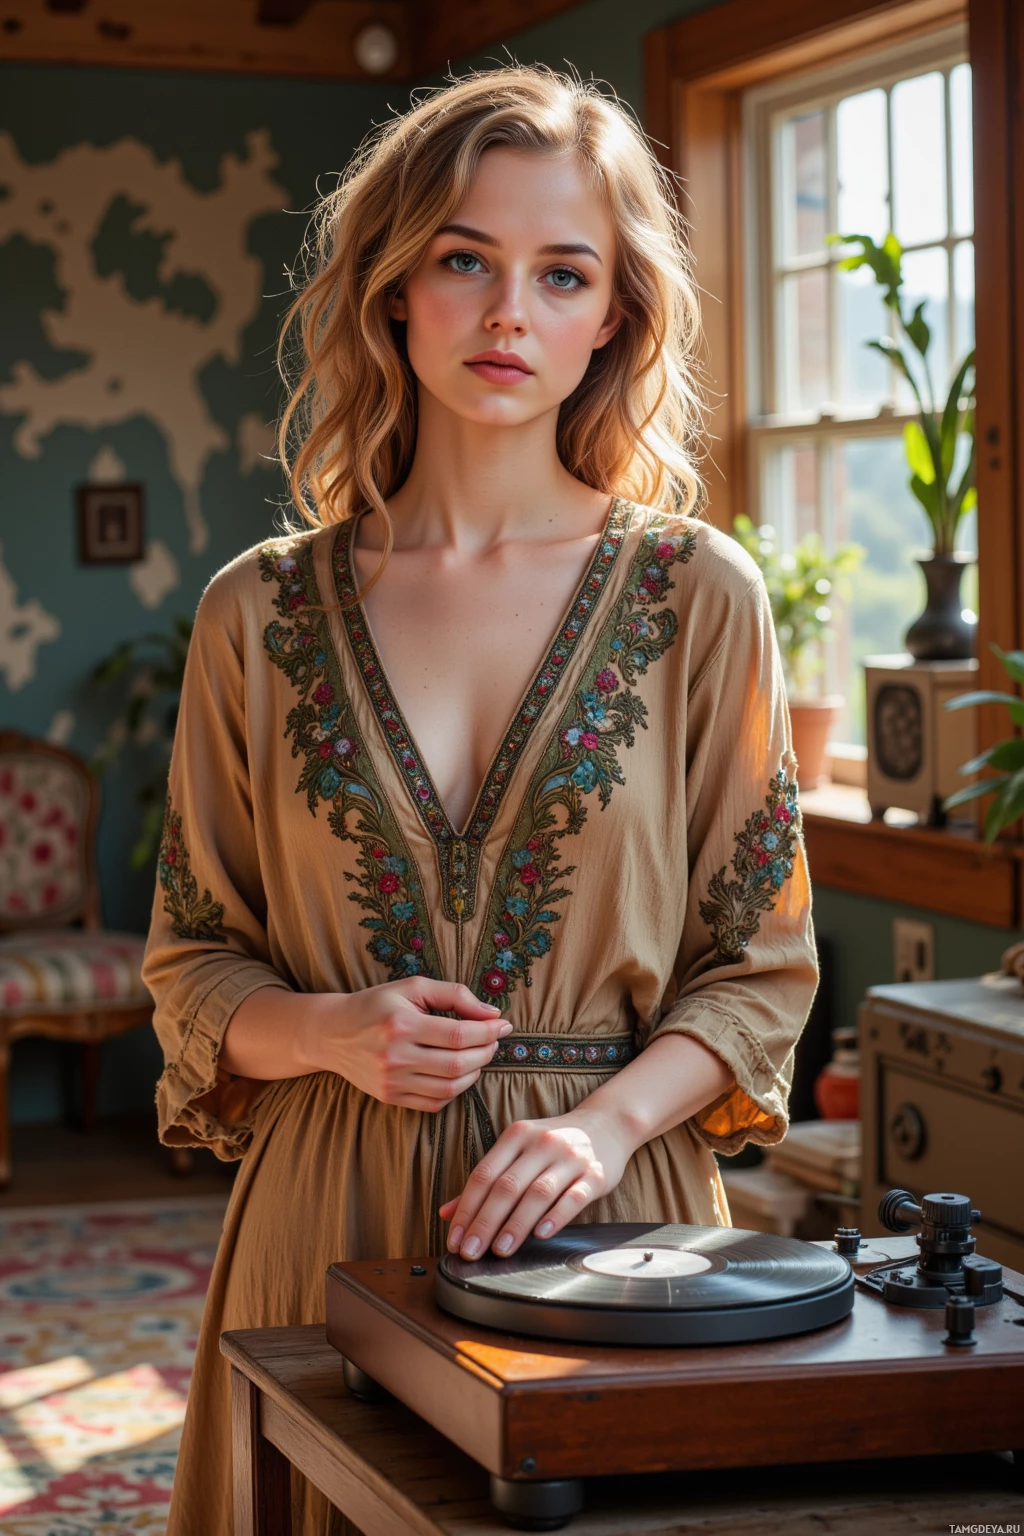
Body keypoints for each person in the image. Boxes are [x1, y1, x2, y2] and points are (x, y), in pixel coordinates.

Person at [144, 65, 817, 1535]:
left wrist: (603, 1130)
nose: (510, 312)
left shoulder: (701, 597)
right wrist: (330, 1028)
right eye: (466, 259)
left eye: (561, 272)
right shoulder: (254, 616)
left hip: (613, 1226)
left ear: (613, 317)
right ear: (396, 290)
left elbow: (760, 972)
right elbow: (192, 963)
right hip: (321, 1217)